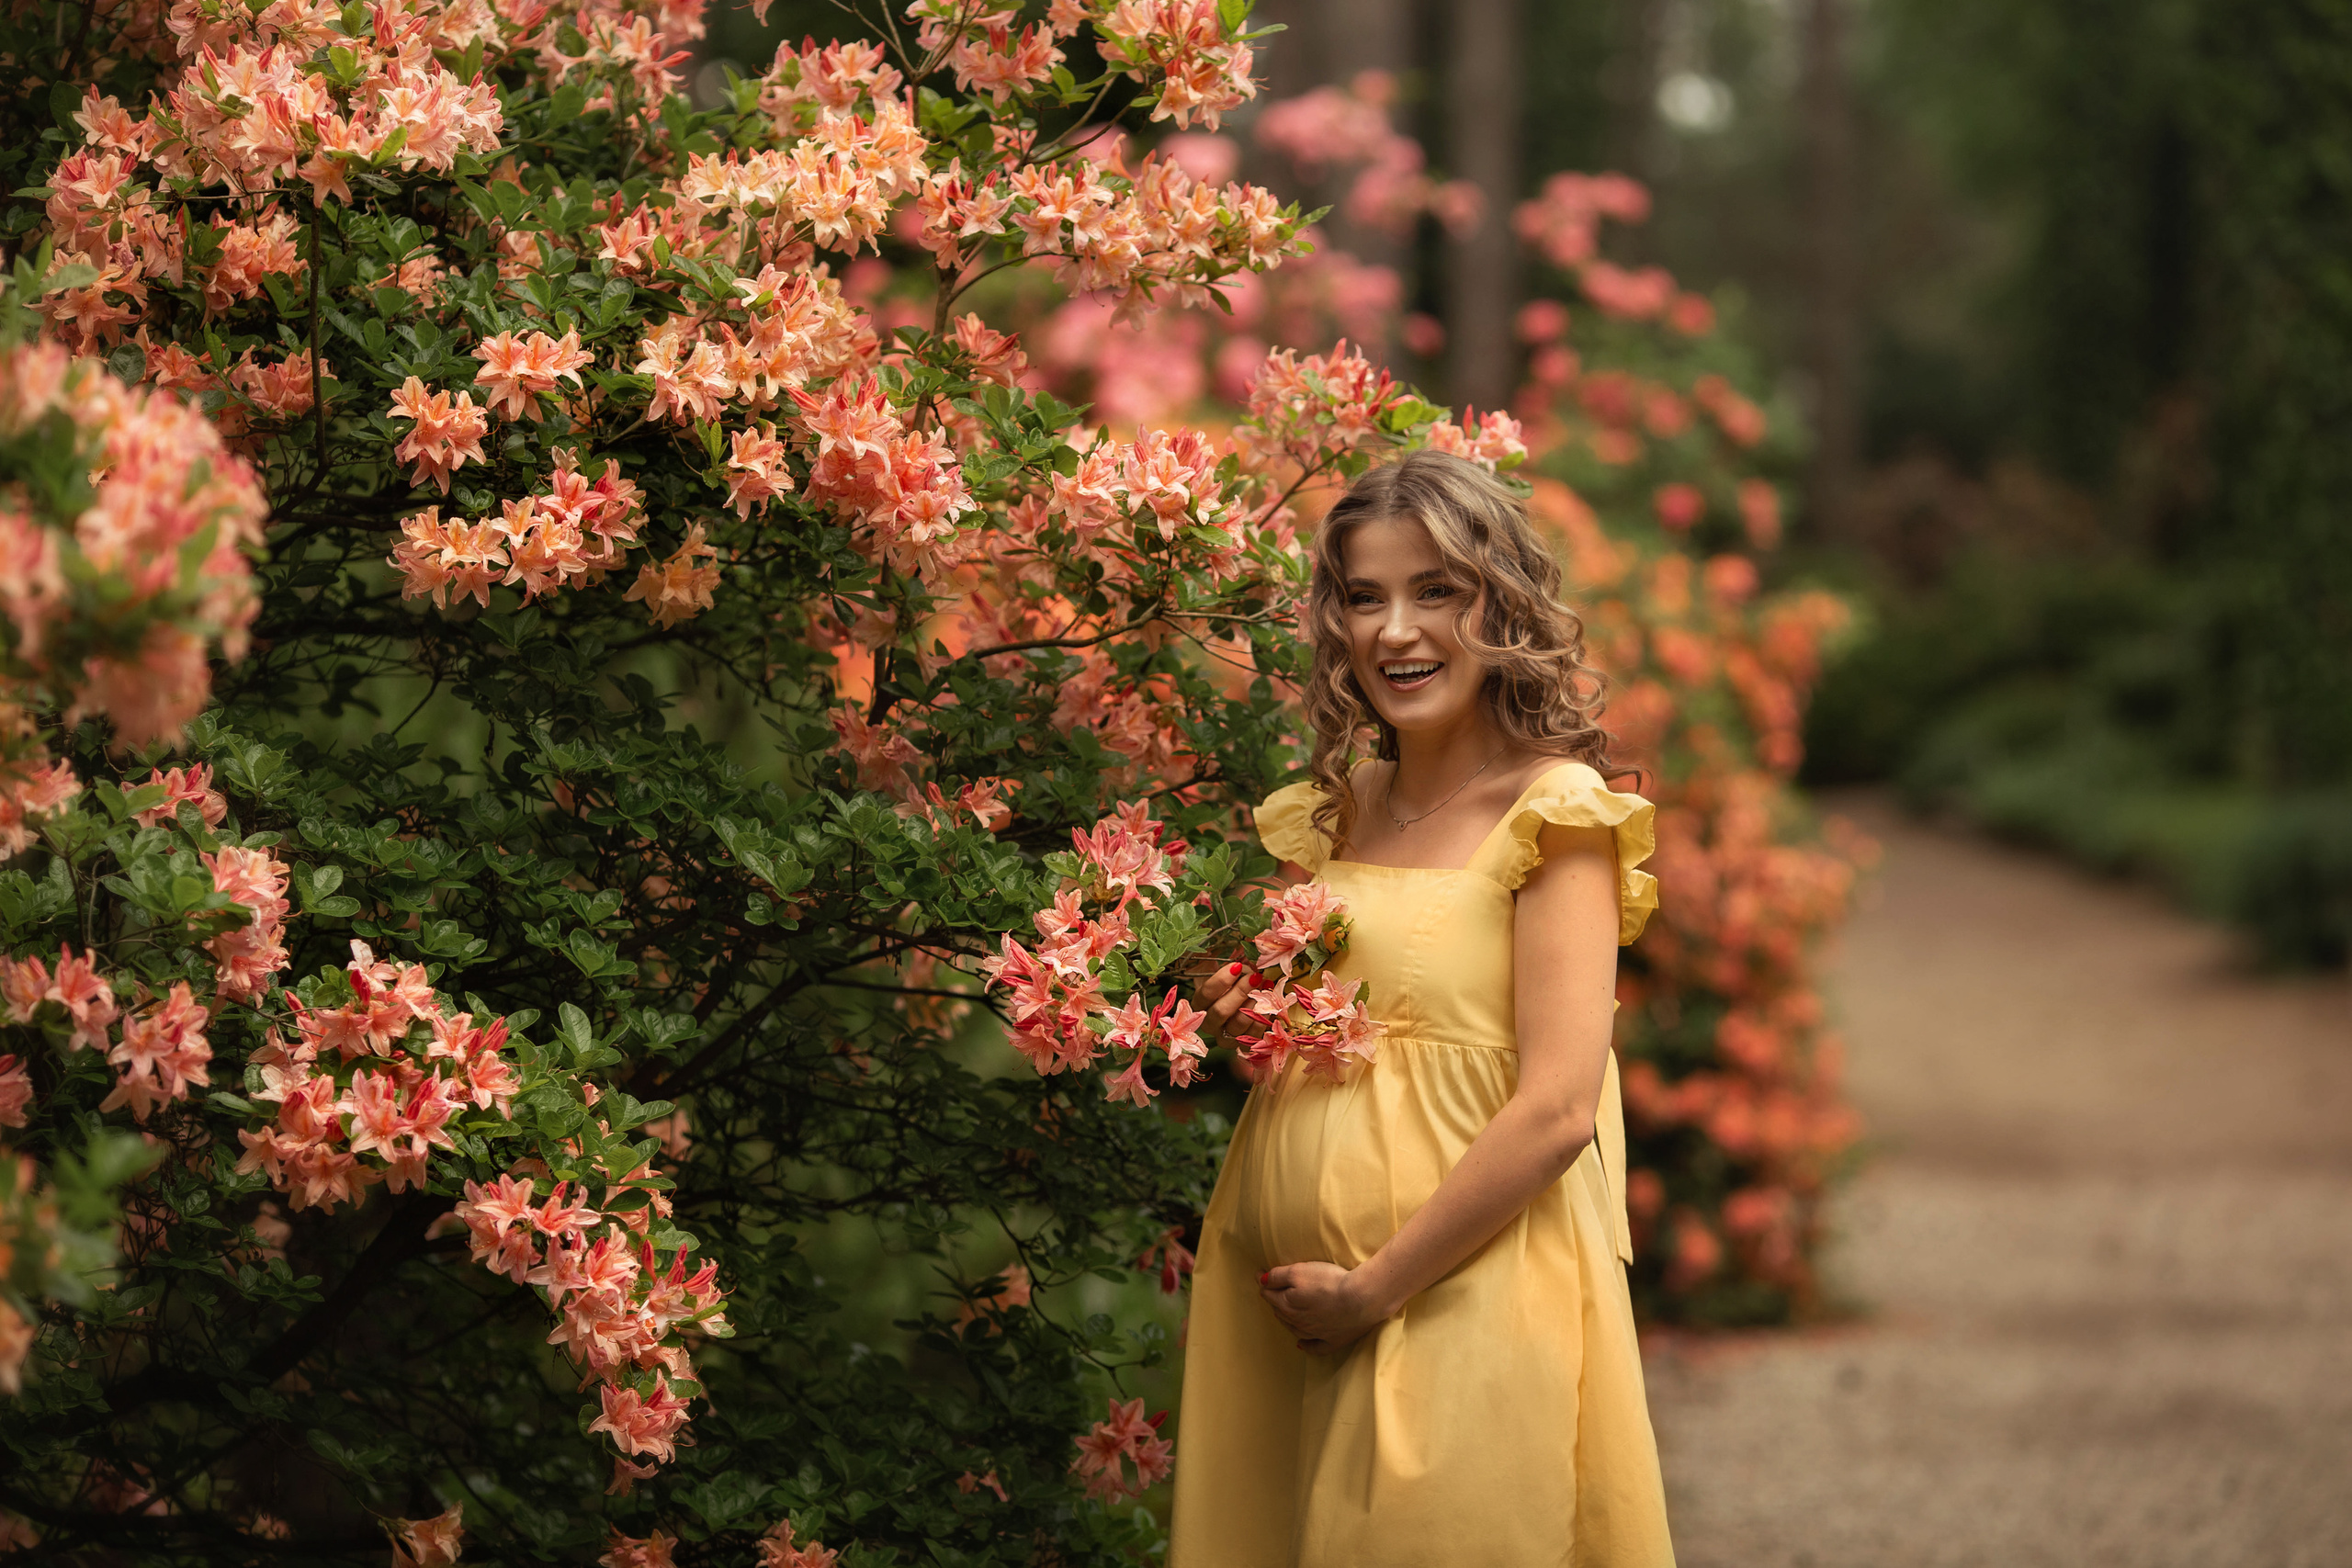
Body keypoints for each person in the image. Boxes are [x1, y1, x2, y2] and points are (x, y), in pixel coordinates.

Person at [1167, 449, 1677, 1567]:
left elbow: (1554, 1109)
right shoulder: (1336, 809)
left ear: (1501, 604)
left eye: (1434, 591)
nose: (1395, 630)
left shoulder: (1556, 816)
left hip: (1452, 1300)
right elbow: (1297, 1030)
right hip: (1277, 1319)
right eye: (1363, 596)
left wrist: (1373, 1289)